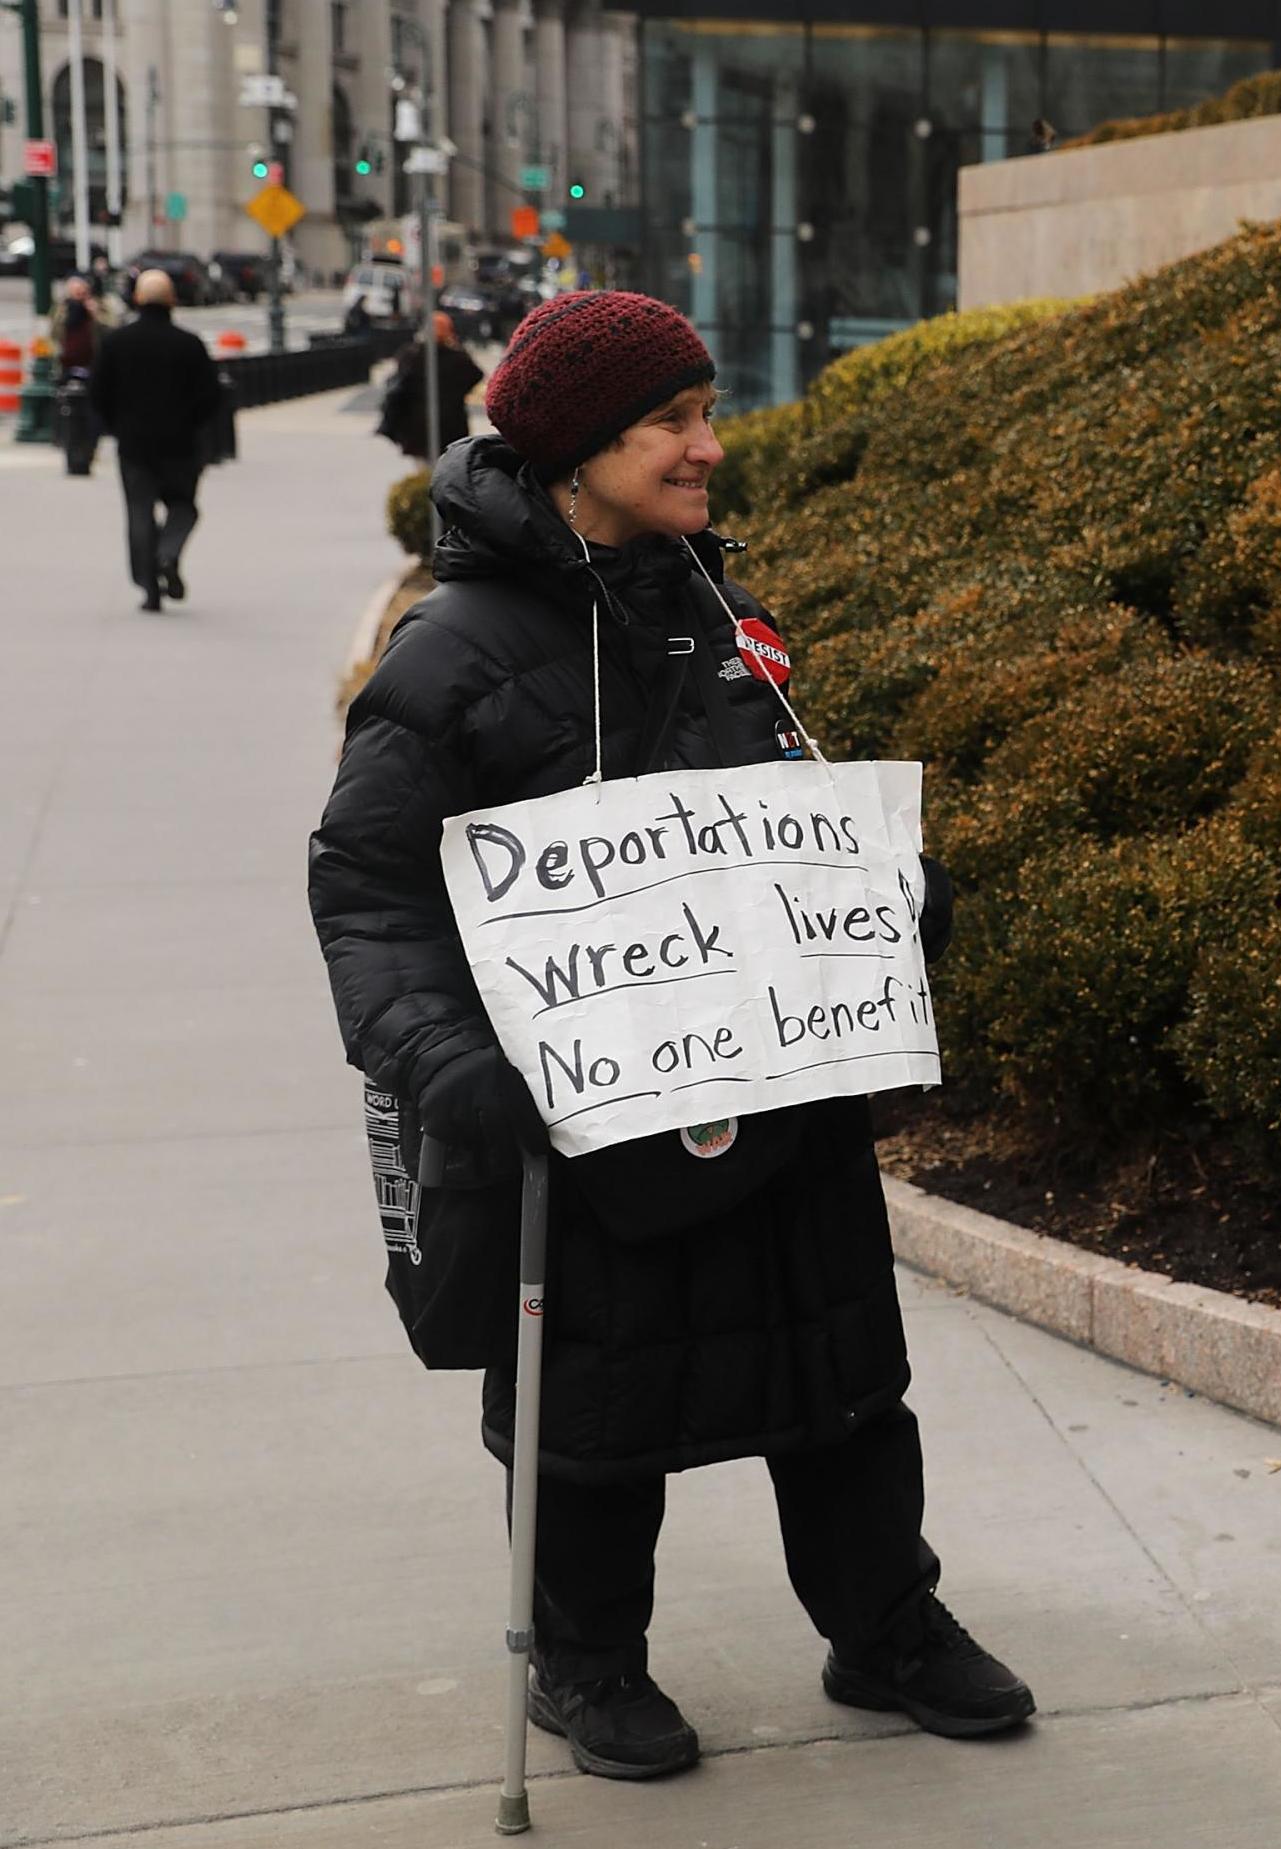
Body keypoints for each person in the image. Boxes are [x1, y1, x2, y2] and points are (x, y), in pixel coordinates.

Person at [306, 292, 1032, 1783]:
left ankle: (885, 1625)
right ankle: (584, 1660)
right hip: (587, 1121)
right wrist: (445, 1060)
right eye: (676, 424)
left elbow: (781, 828)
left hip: (780, 1093)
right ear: (580, 449)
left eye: (707, 413)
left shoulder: (718, 615)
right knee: (590, 1415)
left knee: (842, 1386)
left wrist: (886, 902)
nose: (713, 447)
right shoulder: (452, 655)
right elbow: (366, 888)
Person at [90, 268, 220, 611]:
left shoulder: (116, 343)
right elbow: (211, 396)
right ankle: (169, 551)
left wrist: (115, 425)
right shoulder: (189, 345)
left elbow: (97, 392)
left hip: (134, 444)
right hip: (181, 444)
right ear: (172, 301)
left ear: (136, 299)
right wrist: (195, 427)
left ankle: (149, 588)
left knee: (139, 512)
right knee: (183, 506)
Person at [376, 311, 487, 460]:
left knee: (425, 470)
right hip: (451, 424)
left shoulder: (411, 354)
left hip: (417, 424)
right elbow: (476, 375)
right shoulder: (458, 358)